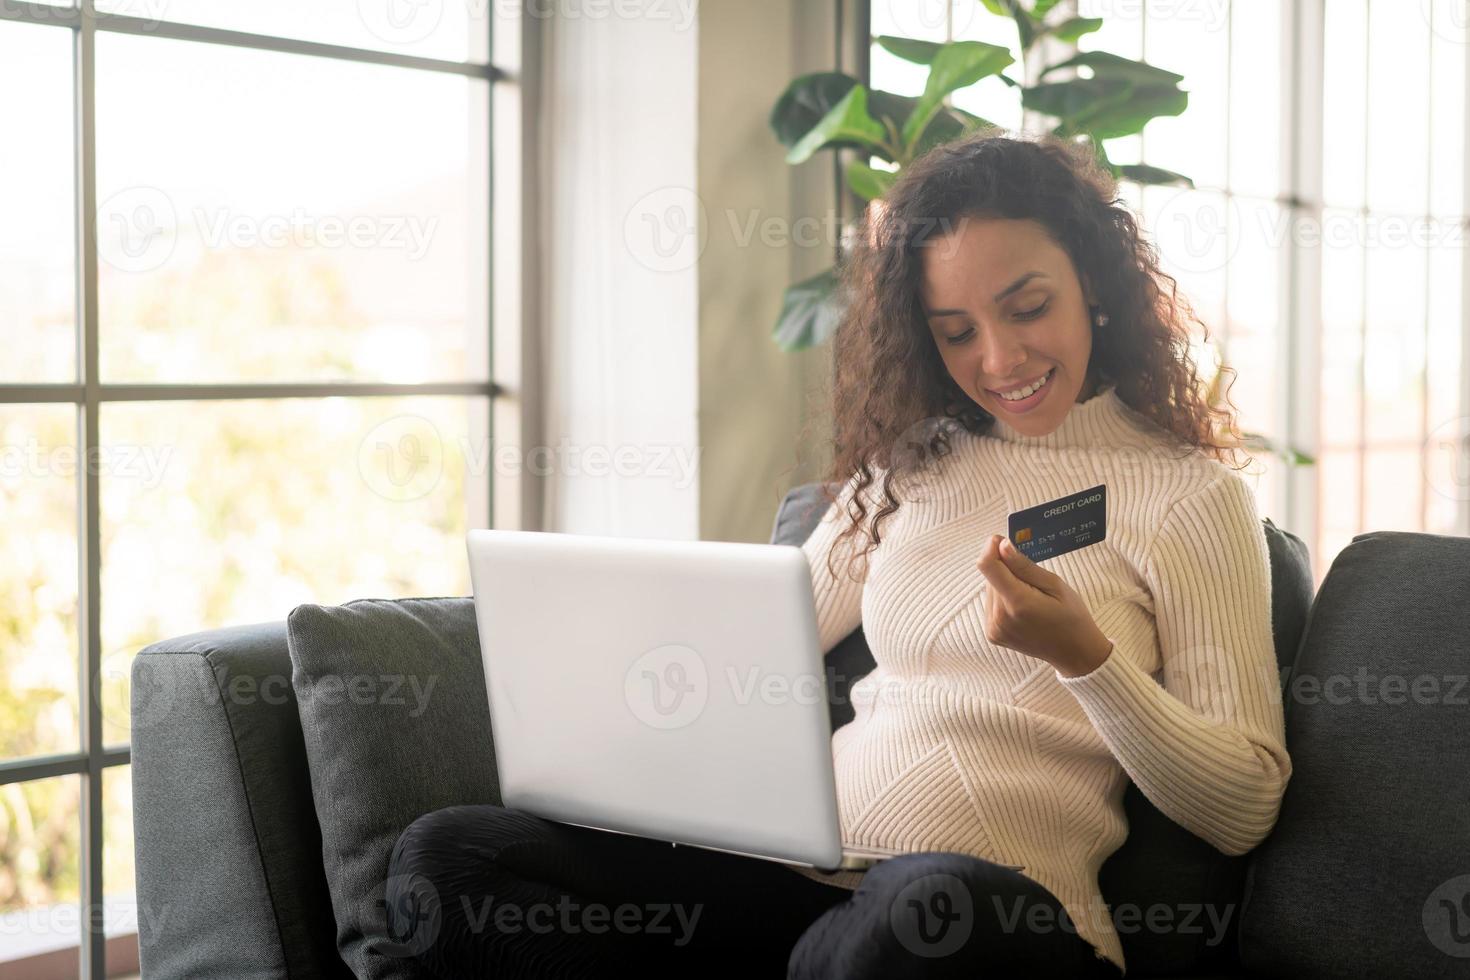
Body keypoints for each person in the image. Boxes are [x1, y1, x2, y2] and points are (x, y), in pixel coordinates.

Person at [385, 130, 1292, 978]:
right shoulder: (913, 464)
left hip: (988, 922)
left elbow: (1244, 804)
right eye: (957, 331)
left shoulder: (1191, 498)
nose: (1001, 357)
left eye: (1028, 308)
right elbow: (746, 649)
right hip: (805, 892)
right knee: (451, 859)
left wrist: (1086, 658)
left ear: (1092, 281)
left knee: (916, 903)